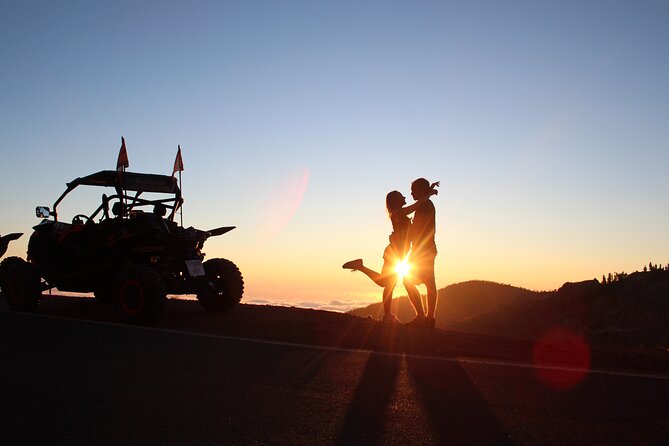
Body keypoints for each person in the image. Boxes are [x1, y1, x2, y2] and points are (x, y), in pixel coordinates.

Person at [342, 185, 438, 323]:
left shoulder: (400, 213)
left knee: (388, 283)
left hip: (398, 253)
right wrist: (428, 194)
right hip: (394, 253)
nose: (405, 197)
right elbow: (415, 206)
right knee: (386, 283)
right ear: (396, 201)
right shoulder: (398, 213)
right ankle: (361, 267)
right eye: (401, 196)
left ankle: (388, 315)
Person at [403, 178, 439, 328]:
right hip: (425, 249)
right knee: (428, 282)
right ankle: (428, 318)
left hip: (422, 251)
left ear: (420, 191)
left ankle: (424, 317)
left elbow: (419, 229)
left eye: (413, 190)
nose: (411, 193)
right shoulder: (425, 204)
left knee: (410, 280)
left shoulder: (425, 205)